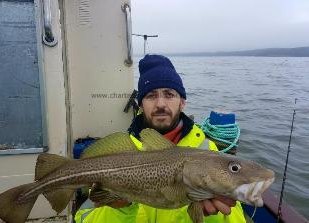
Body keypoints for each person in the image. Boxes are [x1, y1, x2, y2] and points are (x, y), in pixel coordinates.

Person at [75, 54, 246, 223]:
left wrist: (212, 215)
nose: (161, 104)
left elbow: (236, 218)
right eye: (151, 95)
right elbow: (85, 219)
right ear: (141, 105)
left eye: (169, 94)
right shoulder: (120, 154)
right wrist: (122, 208)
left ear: (182, 102)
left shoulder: (207, 150)